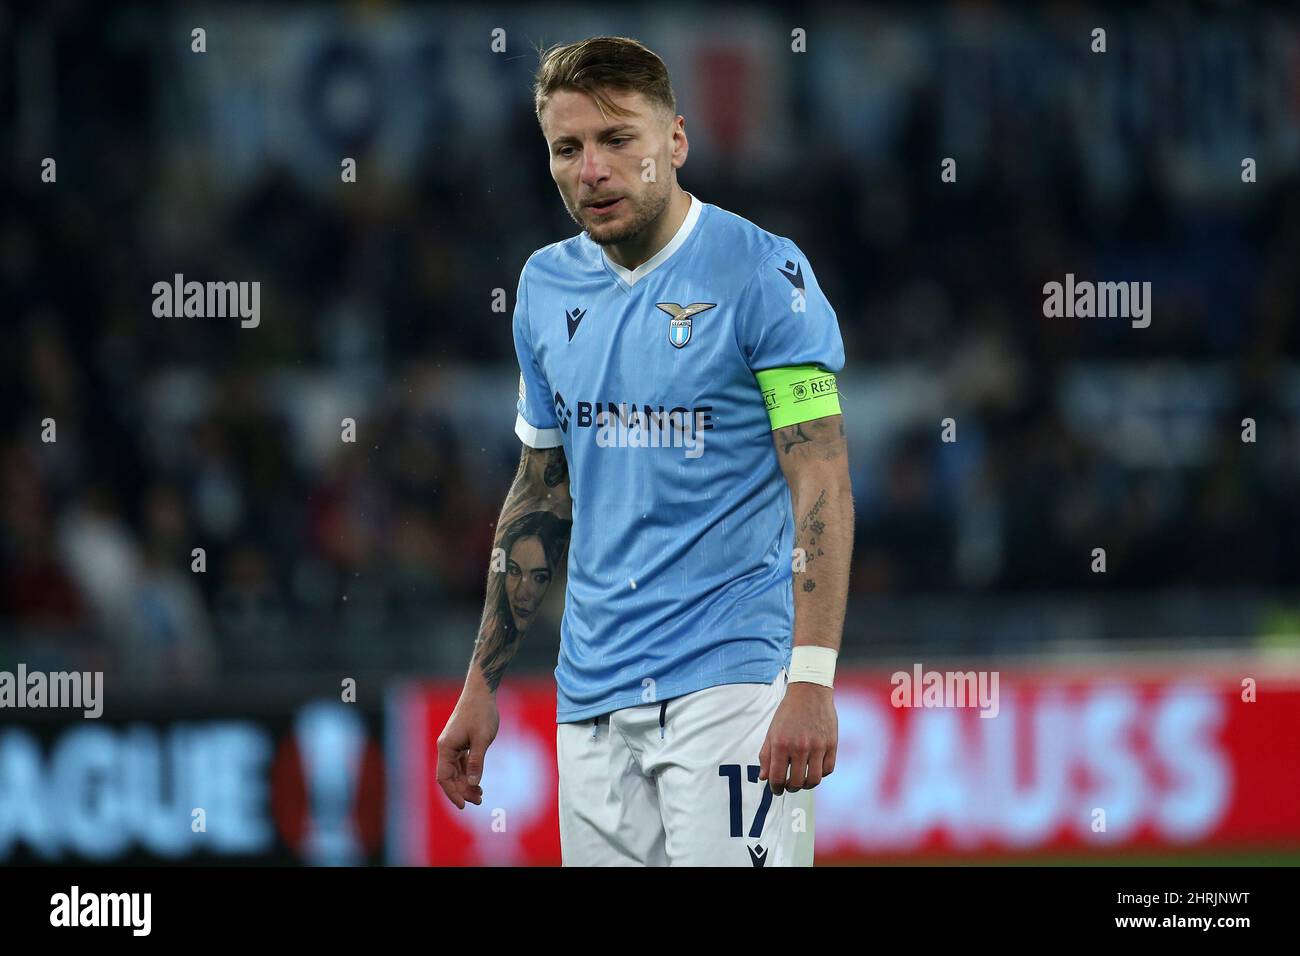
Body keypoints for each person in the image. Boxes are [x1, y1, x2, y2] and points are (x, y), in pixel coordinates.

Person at [436, 35, 853, 867]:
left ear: (675, 141)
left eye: (617, 139)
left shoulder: (763, 273)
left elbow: (821, 474)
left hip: (731, 682)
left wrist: (811, 678)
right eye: (568, 147)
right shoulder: (545, 288)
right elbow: (540, 492)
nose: (592, 169)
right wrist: (482, 681)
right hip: (589, 694)